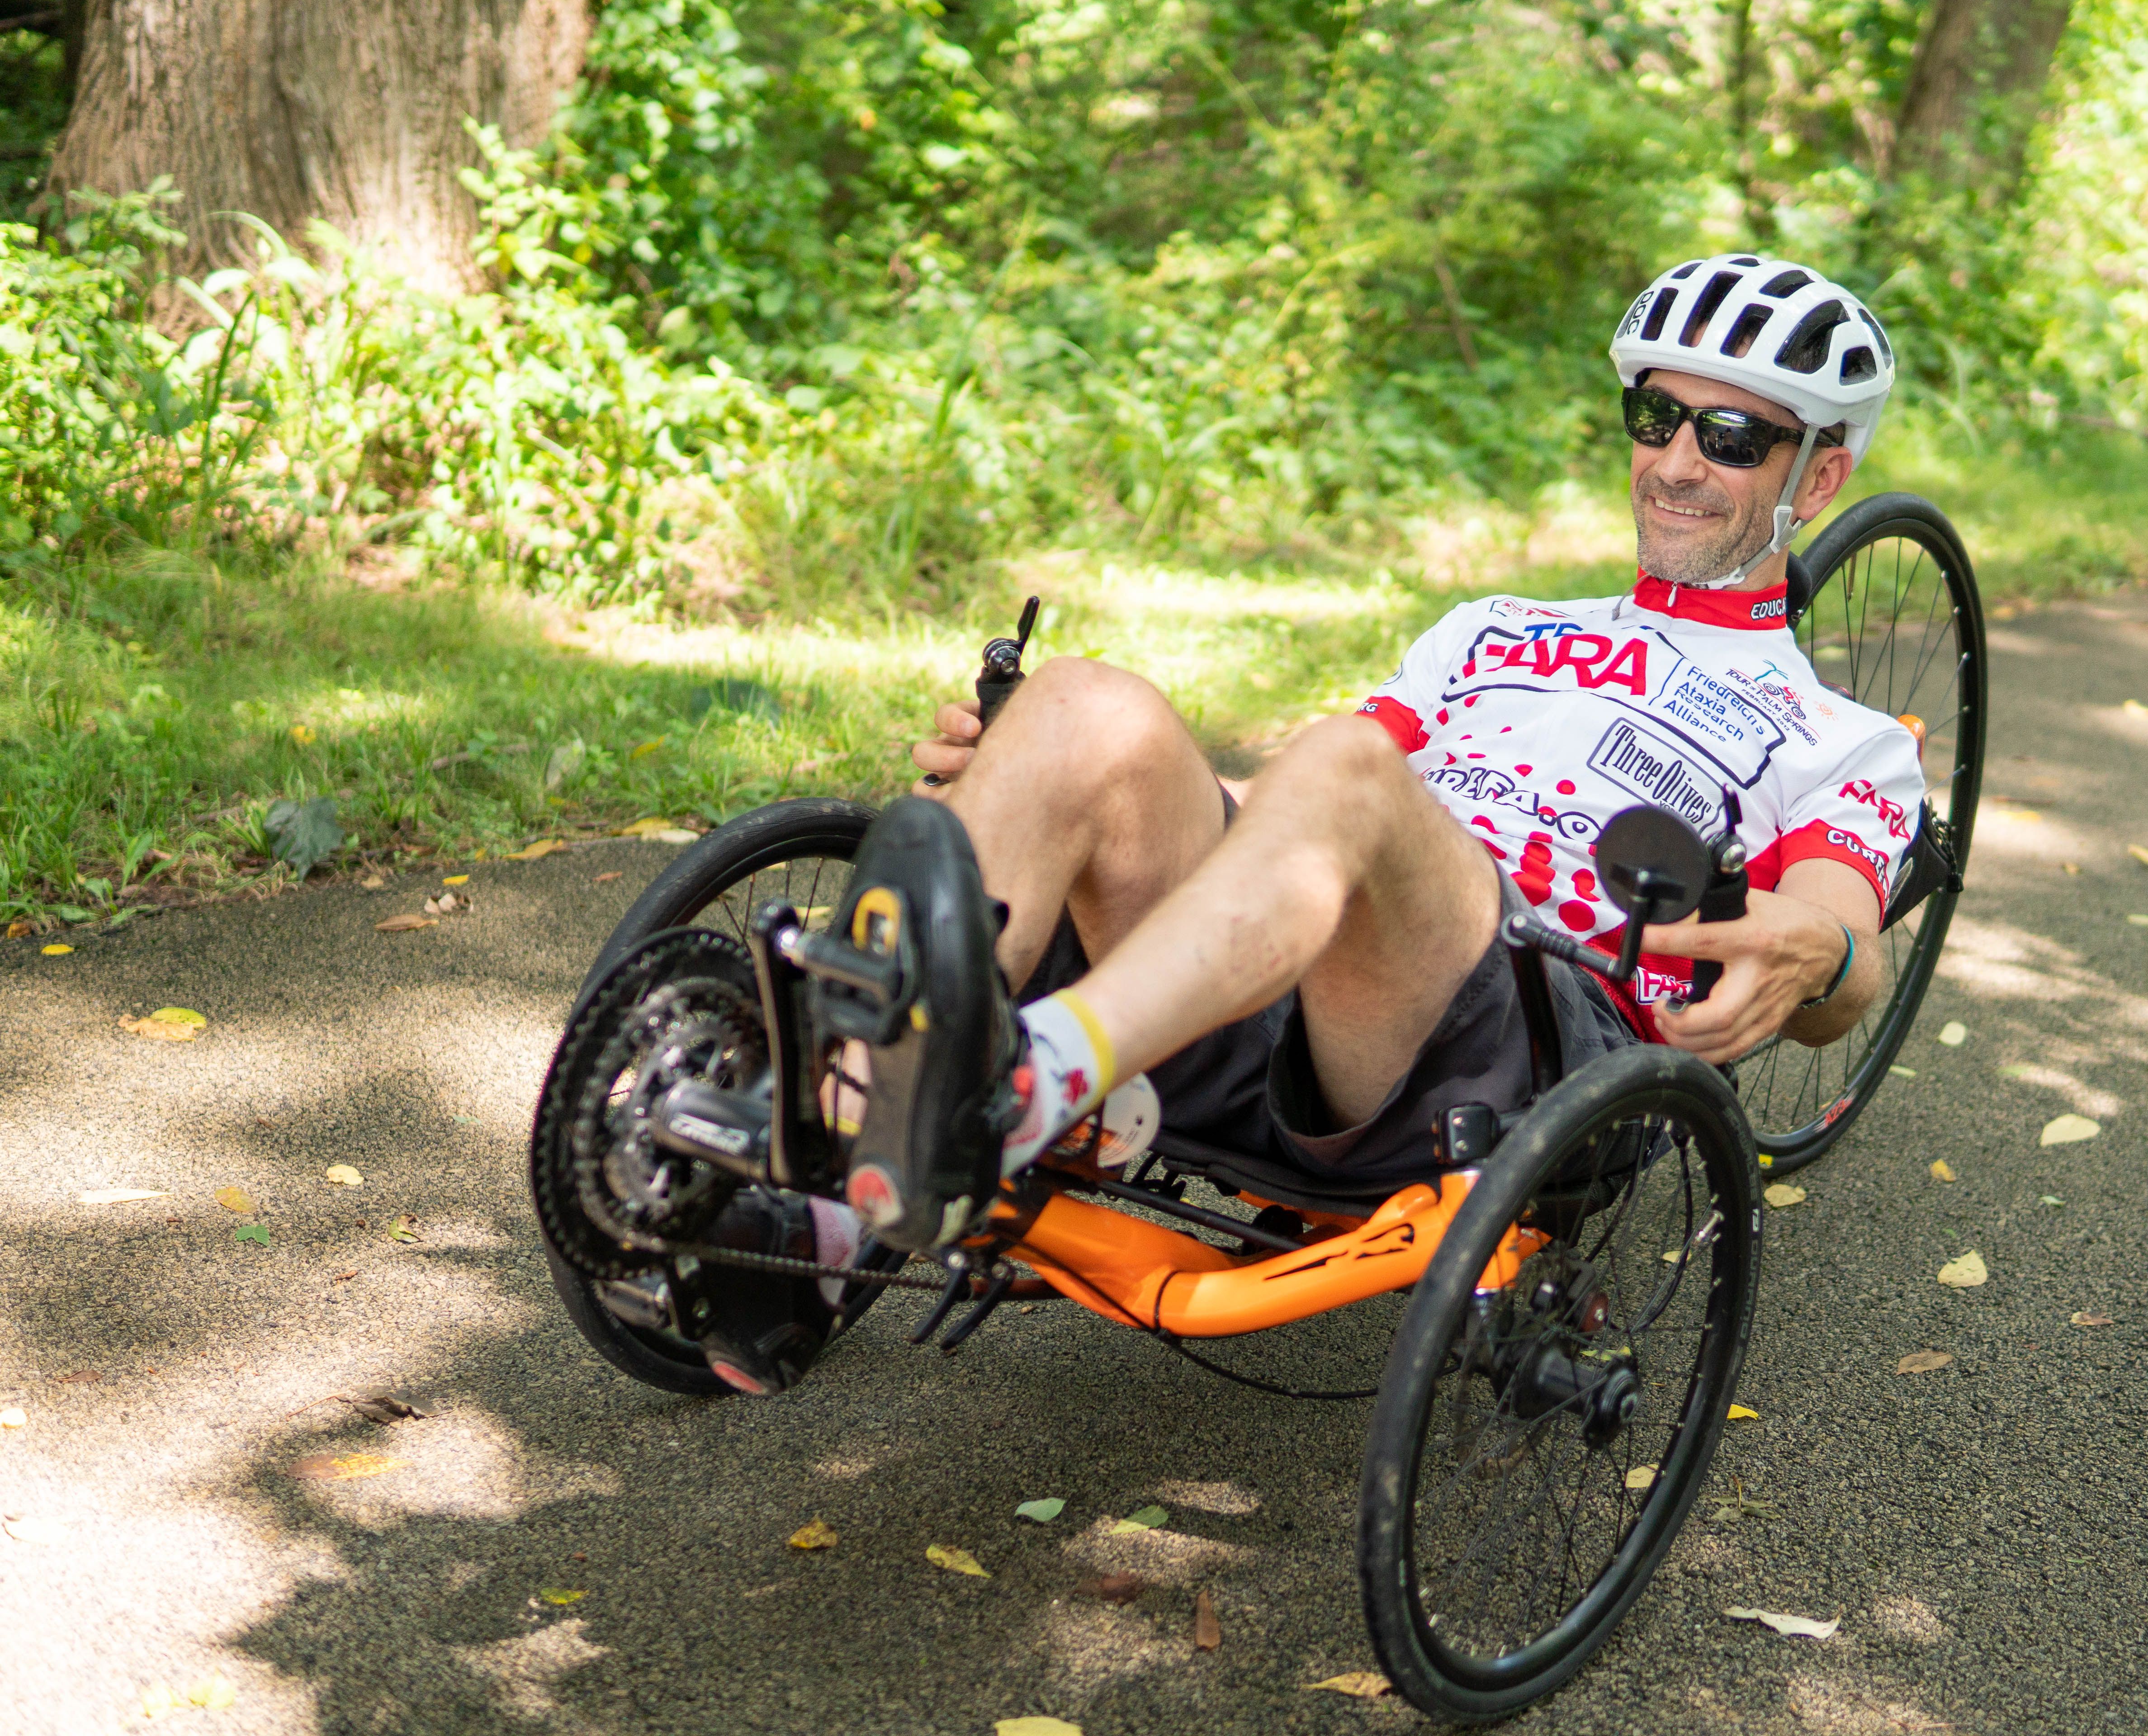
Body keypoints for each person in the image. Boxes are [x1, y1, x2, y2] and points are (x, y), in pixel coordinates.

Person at [690, 253, 1920, 1395]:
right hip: (1294, 972)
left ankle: (1012, 1078)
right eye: (1656, 418)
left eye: (1730, 435)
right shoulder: (1488, 628)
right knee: (1086, 702)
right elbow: (1291, 829)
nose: (1676, 461)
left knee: (1351, 762)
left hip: (1510, 1040)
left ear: (1817, 475)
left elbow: (1840, 956)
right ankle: (842, 1184)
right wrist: (1062, 775)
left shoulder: (1838, 738)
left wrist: (1823, 955)